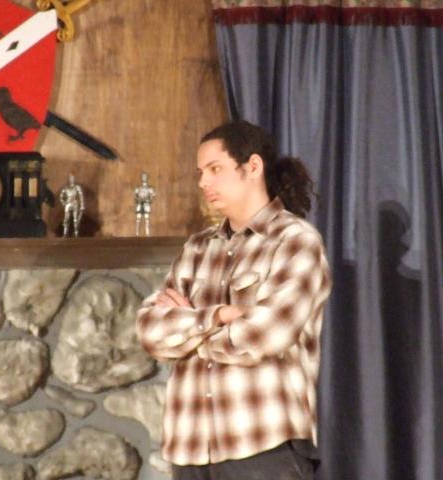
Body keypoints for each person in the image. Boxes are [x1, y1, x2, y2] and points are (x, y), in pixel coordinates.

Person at [135, 120, 332, 480]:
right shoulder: (197, 248)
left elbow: (263, 336)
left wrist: (189, 333)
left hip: (262, 445)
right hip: (189, 448)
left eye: (215, 169)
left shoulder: (295, 242)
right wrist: (219, 316)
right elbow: (150, 331)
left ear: (252, 167)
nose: (203, 182)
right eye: (201, 172)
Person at [59, 173, 84, 237]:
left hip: (75, 203)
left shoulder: (77, 187)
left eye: (72, 178)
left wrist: (82, 205)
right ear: (69, 179)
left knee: (75, 219)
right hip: (68, 204)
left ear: (74, 179)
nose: (71, 179)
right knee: (66, 219)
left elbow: (81, 196)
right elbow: (61, 196)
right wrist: (63, 202)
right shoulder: (65, 188)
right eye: (70, 178)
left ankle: (76, 233)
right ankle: (65, 233)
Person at [134, 171, 156, 236]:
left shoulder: (150, 188)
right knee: (138, 219)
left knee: (147, 219)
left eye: (145, 176)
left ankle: (147, 234)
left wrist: (148, 200)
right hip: (139, 204)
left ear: (147, 178)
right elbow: (135, 197)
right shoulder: (138, 188)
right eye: (143, 176)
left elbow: (152, 196)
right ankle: (137, 234)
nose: (144, 178)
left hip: (146, 204)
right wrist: (138, 200)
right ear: (141, 178)